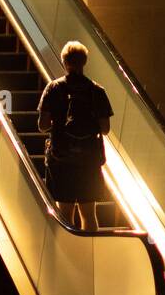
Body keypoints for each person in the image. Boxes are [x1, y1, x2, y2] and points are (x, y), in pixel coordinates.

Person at [37, 41, 113, 233]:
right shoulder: (97, 91)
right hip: (89, 160)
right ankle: (91, 252)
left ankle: (70, 251)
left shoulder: (53, 89)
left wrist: (59, 124)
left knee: (65, 212)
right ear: (84, 62)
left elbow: (42, 125)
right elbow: (105, 129)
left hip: (61, 160)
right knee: (89, 213)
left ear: (64, 62)